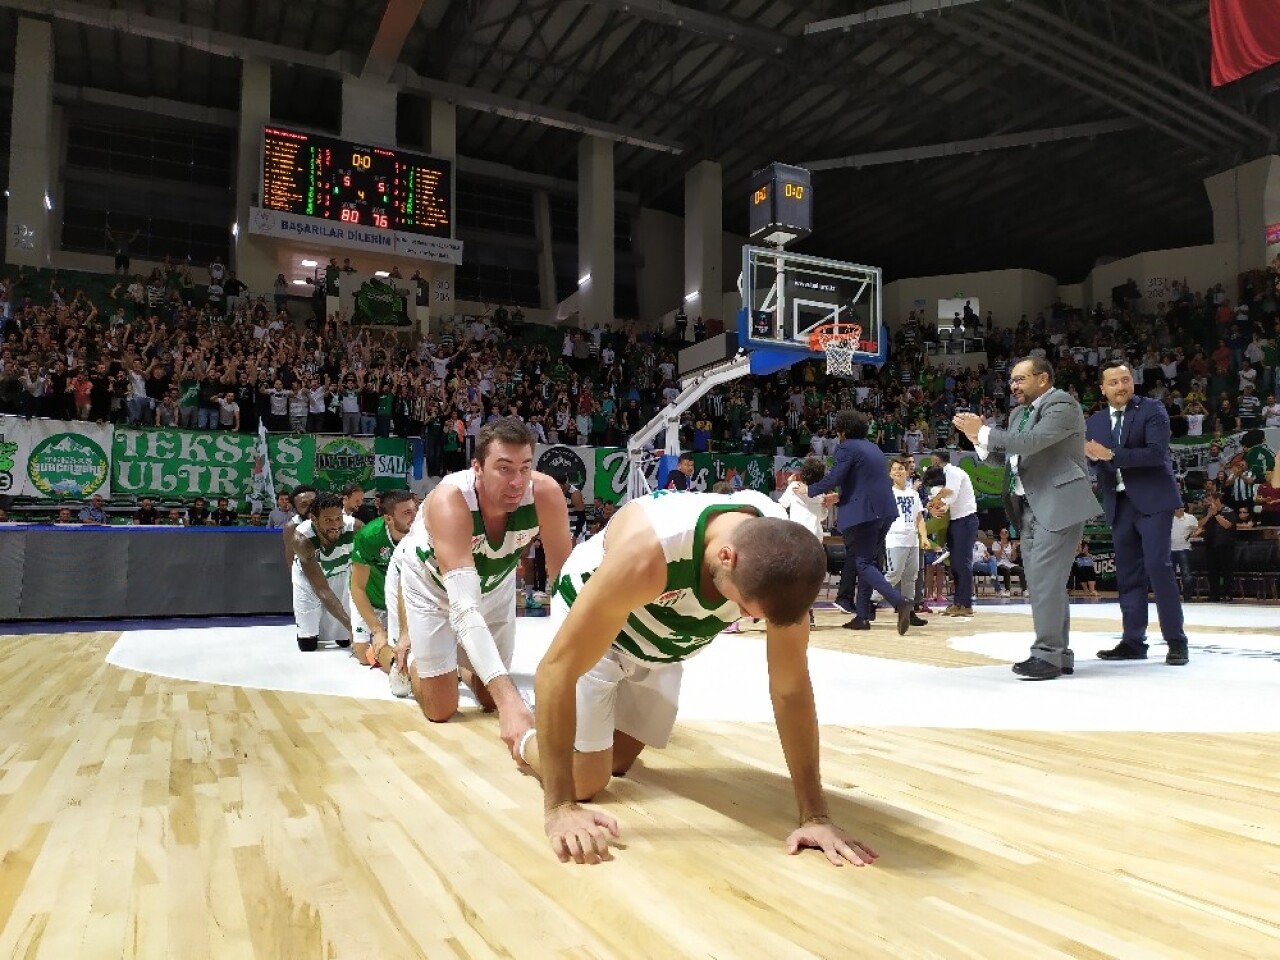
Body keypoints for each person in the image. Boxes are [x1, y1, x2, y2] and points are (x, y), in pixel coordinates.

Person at [520, 489, 878, 869]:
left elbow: (790, 689)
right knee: (587, 780)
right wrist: (560, 807)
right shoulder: (647, 552)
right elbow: (557, 669)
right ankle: (526, 735)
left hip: (667, 642)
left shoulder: (781, 562)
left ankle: (562, 734)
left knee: (619, 762)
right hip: (603, 633)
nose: (748, 618)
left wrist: (816, 816)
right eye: (742, 608)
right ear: (726, 556)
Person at [392, 417, 574, 759]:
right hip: (432, 588)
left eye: (525, 468)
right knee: (441, 708)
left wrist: (578, 673)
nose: (517, 481)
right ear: (477, 467)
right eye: (504, 468)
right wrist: (512, 702)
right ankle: (417, 655)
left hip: (494, 583)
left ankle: (463, 660)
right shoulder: (450, 499)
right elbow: (463, 606)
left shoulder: (546, 493)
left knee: (490, 699)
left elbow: (566, 585)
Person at [954, 357, 1098, 681]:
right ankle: (1059, 654)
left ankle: (1046, 655)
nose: (1013, 386)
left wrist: (987, 431)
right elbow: (1004, 458)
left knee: (1045, 580)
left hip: (1059, 502)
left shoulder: (1063, 404)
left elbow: (1031, 442)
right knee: (1044, 583)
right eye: (1012, 380)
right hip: (1029, 505)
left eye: (1020, 379)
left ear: (1043, 379)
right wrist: (977, 439)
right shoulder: (1019, 414)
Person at [1084, 361, 1189, 665]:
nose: (1121, 386)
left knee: (1158, 565)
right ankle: (1133, 640)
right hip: (1118, 503)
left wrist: (1111, 454)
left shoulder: (1152, 409)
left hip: (1154, 499)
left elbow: (1157, 453)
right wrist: (1090, 457)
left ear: (1133, 382)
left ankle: (1176, 641)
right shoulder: (1096, 422)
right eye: (1113, 382)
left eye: (1125, 380)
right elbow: (1097, 463)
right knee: (1128, 573)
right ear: (1102, 389)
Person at [797, 410, 915, 634]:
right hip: (885, 510)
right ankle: (862, 616)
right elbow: (865, 482)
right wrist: (840, 497)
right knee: (868, 562)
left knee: (863, 563)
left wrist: (809, 489)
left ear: (842, 430)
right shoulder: (874, 448)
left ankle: (900, 602)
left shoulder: (846, 447)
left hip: (865, 513)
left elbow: (835, 477)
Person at [350, 489, 417, 696]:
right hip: (371, 598)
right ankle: (395, 662)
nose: (414, 517)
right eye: (407, 513)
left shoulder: (425, 531)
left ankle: (405, 668)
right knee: (363, 656)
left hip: (402, 599)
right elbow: (357, 587)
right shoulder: (369, 537)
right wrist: (377, 629)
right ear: (388, 518)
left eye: (415, 510)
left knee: (407, 644)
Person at [290, 491, 360, 651]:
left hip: (341, 571)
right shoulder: (302, 540)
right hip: (308, 578)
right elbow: (322, 590)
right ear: (314, 519)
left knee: (344, 641)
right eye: (328, 520)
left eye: (338, 518)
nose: (335, 525)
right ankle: (308, 629)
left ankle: (338, 630)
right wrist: (352, 627)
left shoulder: (356, 528)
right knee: (308, 645)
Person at [778, 456, 837, 628]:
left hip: (796, 537)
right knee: (810, 579)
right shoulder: (820, 493)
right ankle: (807, 612)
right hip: (815, 539)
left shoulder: (795, 486)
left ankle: (794, 611)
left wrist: (788, 484)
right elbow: (822, 516)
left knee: (793, 576)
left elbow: (782, 504)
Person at [926, 450, 979, 616]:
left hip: (965, 520)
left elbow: (950, 495)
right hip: (956, 520)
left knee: (962, 563)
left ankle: (965, 604)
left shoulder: (953, 472)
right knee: (955, 563)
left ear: (936, 460)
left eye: (932, 461)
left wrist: (933, 503)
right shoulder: (947, 475)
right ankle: (959, 602)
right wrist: (932, 505)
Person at [881, 458, 930, 626]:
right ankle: (870, 601)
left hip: (913, 540)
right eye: (894, 469)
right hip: (895, 538)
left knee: (911, 578)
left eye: (900, 468)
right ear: (890, 473)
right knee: (893, 575)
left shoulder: (914, 494)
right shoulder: (887, 494)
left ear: (906, 471)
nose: (897, 471)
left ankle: (908, 612)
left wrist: (923, 537)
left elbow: (920, 518)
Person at [1194, 493, 1235, 602]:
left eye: (1210, 500)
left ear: (1217, 500)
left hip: (1225, 545)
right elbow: (1200, 524)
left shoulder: (1228, 511)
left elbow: (1227, 525)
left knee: (1226, 571)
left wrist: (1216, 514)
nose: (1207, 502)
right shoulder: (1207, 510)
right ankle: (1214, 594)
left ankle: (1227, 594)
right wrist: (1208, 515)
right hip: (1211, 545)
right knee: (1212, 571)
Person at [281, 485, 317, 570]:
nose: (311, 508)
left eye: (313, 503)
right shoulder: (292, 527)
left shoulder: (330, 519)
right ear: (295, 509)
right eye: (304, 505)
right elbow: (291, 560)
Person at [1169, 503, 1199, 595]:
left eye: (1180, 508)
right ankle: (1172, 594)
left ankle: (1187, 595)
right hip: (1170, 549)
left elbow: (1198, 528)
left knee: (1186, 573)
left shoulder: (1190, 518)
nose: (1179, 510)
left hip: (1184, 548)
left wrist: (1196, 532)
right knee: (1170, 574)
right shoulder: (1168, 518)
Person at [991, 528, 1026, 595]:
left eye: (1006, 532)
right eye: (1002, 532)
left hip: (1009, 563)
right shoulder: (996, 543)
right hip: (999, 564)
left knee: (1021, 570)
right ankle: (1007, 590)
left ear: (1008, 534)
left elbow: (1013, 559)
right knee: (1006, 569)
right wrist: (1001, 548)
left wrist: (1013, 549)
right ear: (1000, 534)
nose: (1004, 534)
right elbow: (997, 557)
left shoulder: (1011, 544)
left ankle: (1024, 590)